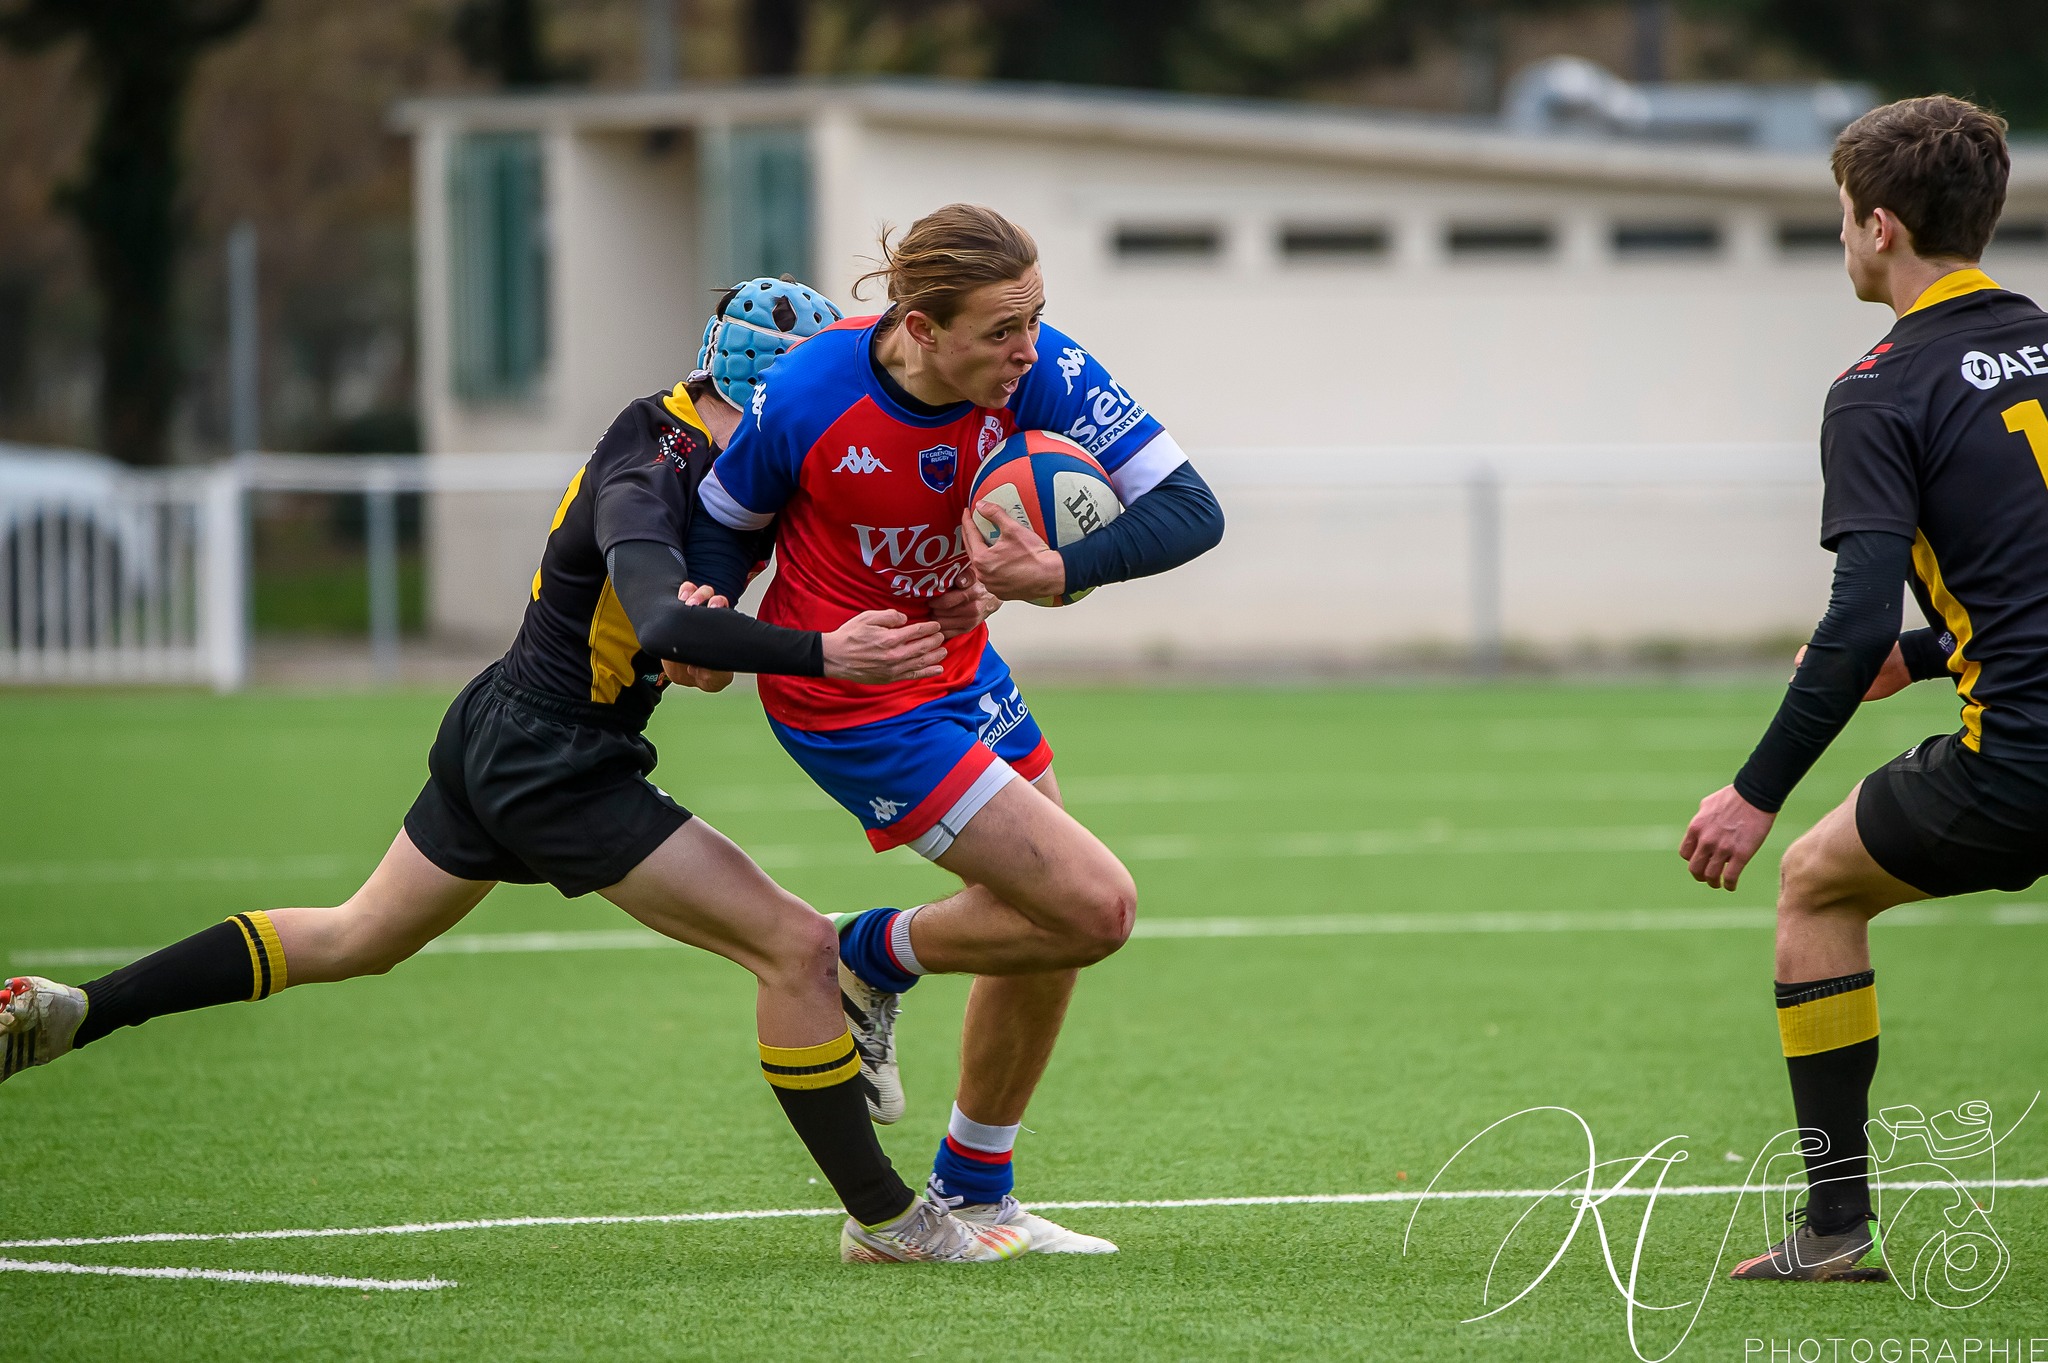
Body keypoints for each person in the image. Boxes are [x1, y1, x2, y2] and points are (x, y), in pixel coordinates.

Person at [0, 276, 1028, 1266]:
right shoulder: (658, 470)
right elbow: (663, 611)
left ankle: (82, 1009)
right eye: (809, 411)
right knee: (799, 950)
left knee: (358, 934)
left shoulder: (683, 438)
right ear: (767, 399)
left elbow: (672, 633)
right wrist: (819, 653)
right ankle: (890, 1219)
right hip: (555, 757)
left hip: (504, 725)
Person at [689, 205, 1226, 1253]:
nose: (1026, 353)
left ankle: (976, 1193)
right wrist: (708, 618)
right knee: (1094, 907)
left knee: (1052, 927)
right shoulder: (808, 393)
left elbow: (1191, 508)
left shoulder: (1042, 367)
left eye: (1035, 321)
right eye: (999, 331)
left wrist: (1060, 570)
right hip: (849, 697)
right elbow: (721, 518)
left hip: (962, 670)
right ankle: (871, 951)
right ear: (920, 328)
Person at [1679, 96, 2048, 1283]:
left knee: (1812, 885)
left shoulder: (1880, 385)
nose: (1841, 239)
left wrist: (1753, 791)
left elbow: (1843, 628)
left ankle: (1836, 1228)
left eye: (1841, 218)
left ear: (1879, 227)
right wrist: (1933, 651)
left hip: (2024, 764)